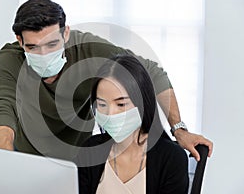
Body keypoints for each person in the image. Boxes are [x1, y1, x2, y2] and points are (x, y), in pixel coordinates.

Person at [0, 0, 212, 160]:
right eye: (34, 47)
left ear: (65, 33)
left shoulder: (90, 49)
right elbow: (2, 108)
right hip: (27, 159)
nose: (44, 54)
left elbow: (151, 72)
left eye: (52, 44)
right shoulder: (10, 60)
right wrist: (7, 162)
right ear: (19, 40)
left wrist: (179, 129)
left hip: (79, 160)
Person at [76, 54, 189, 194]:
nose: (110, 113)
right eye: (102, 104)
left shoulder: (171, 158)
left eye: (121, 104)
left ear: (142, 103)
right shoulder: (90, 151)